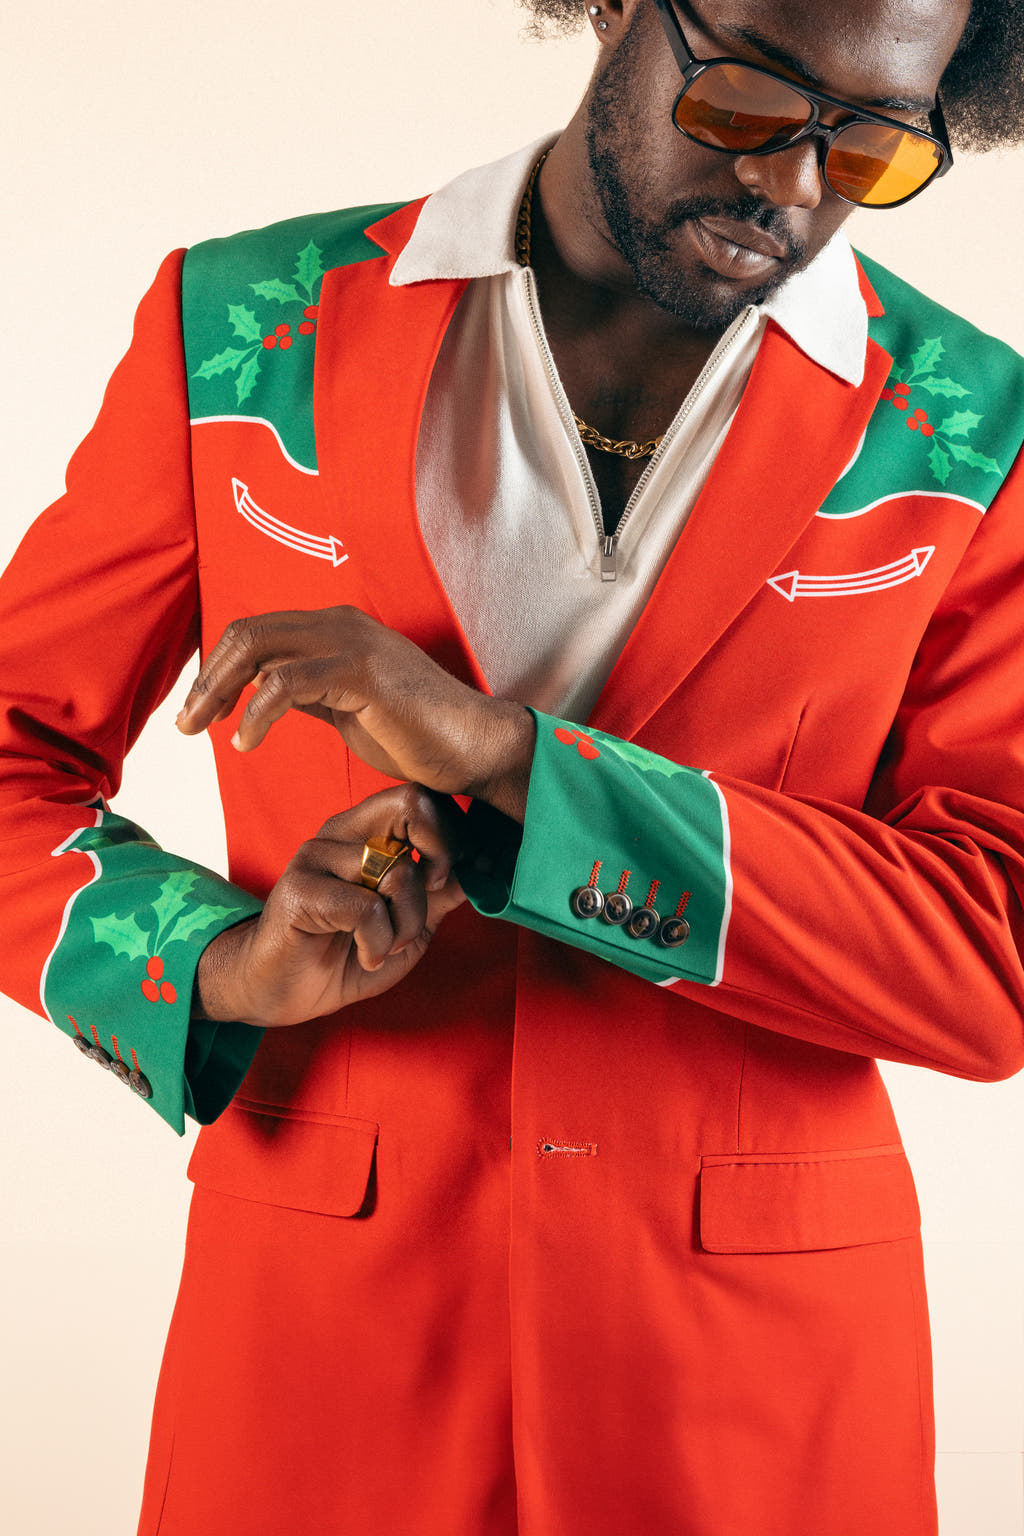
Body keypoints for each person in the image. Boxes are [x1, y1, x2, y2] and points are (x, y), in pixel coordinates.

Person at [2, 0, 1024, 1531]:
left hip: (754, 1389)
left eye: (873, 146)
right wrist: (214, 965)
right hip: (322, 1341)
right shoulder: (244, 324)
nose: (793, 190)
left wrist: (513, 765)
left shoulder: (974, 431)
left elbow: (989, 947)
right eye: (751, 97)